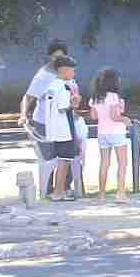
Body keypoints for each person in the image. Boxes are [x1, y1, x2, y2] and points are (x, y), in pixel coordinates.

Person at [38, 56, 80, 200]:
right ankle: (58, 192)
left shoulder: (51, 85)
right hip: (64, 129)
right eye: (72, 71)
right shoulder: (63, 87)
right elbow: (63, 108)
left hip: (54, 128)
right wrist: (74, 102)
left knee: (61, 159)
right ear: (64, 70)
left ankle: (58, 191)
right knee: (64, 160)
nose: (74, 74)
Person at [89, 68, 129, 203]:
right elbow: (115, 116)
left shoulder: (95, 98)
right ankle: (120, 193)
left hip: (102, 132)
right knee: (122, 163)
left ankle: (101, 195)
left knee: (104, 163)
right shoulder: (113, 96)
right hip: (117, 132)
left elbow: (94, 116)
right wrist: (125, 119)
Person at [18, 39, 76, 131]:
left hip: (64, 122)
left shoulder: (68, 72)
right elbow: (28, 97)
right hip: (45, 123)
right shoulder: (43, 76)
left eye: (60, 57)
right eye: (54, 57)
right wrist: (23, 115)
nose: (56, 60)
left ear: (66, 56)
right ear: (50, 57)